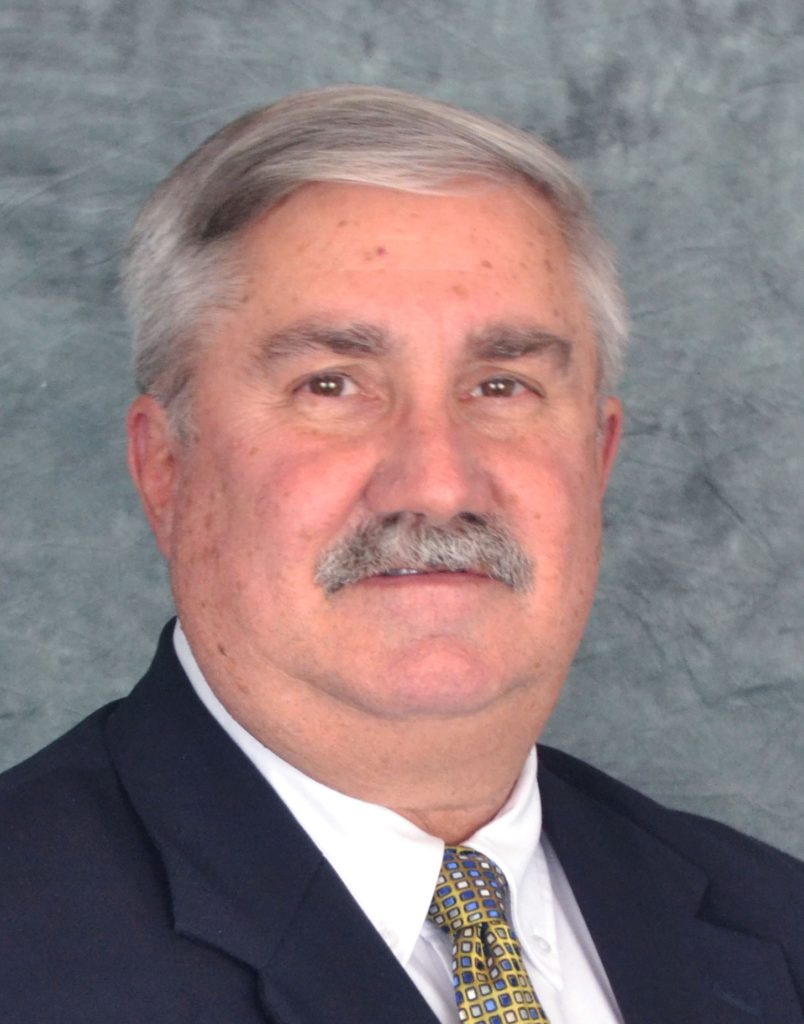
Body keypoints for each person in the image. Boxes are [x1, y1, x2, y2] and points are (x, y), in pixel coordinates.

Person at [1, 85, 801, 1024]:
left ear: (597, 458)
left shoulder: (777, 926)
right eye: (332, 385)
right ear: (166, 470)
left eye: (501, 386)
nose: (437, 482)